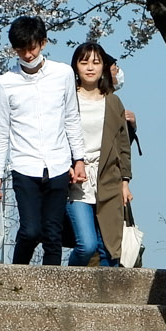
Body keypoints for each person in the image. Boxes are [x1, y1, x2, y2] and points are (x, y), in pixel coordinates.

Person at [0, 16, 87, 266]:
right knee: (31, 230)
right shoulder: (5, 83)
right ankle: (14, 279)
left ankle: (50, 295)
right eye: (21, 49)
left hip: (58, 162)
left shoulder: (63, 73)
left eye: (31, 47)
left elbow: (71, 119)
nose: (28, 54)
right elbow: (1, 130)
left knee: (53, 234)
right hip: (24, 164)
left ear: (42, 43)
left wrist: (79, 159)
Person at [66, 41, 133, 266]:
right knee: (86, 245)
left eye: (96, 62)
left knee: (110, 250)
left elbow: (123, 145)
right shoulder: (67, 99)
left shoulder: (113, 102)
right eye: (84, 62)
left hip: (109, 178)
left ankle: (107, 296)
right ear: (75, 66)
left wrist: (125, 181)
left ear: (104, 66)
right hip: (77, 180)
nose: (90, 67)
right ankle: (65, 284)